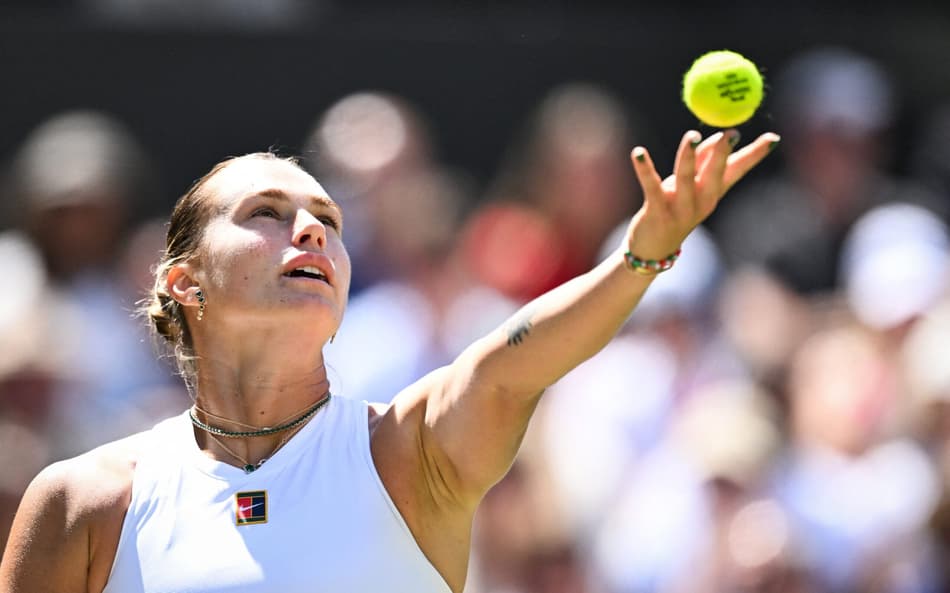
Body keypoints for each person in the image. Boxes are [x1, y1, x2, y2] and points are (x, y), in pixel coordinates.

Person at [0, 127, 778, 593]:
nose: (311, 231)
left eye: (327, 220)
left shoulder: (410, 453)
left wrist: (640, 256)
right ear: (185, 282)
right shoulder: (82, 503)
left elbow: (512, 363)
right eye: (266, 213)